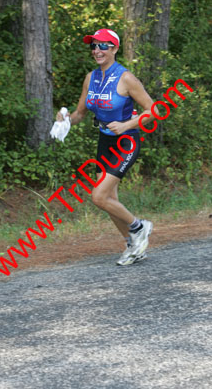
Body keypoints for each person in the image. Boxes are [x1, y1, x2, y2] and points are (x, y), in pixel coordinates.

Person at [56, 28, 158, 266]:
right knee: (110, 198)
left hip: (127, 140)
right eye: (94, 46)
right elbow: (81, 113)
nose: (97, 50)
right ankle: (133, 245)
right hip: (105, 141)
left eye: (103, 45)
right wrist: (65, 120)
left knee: (99, 197)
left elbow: (153, 110)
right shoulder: (91, 78)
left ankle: (139, 227)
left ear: (114, 49)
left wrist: (126, 125)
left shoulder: (126, 78)